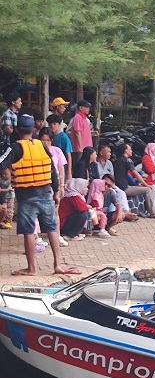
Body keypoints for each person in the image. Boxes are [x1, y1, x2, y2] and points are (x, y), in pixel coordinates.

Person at [1, 114, 78, 275]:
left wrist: (6, 173)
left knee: (29, 231)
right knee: (51, 229)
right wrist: (56, 191)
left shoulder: (15, 147)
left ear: (16, 129)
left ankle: (31, 268)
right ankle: (57, 265)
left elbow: (1, 163)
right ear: (33, 130)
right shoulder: (41, 146)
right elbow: (51, 169)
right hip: (45, 194)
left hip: (26, 197)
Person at [113, 143, 155, 218]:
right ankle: (152, 212)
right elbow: (136, 174)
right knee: (147, 190)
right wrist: (146, 184)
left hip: (118, 186)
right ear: (125, 151)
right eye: (130, 149)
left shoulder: (117, 160)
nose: (131, 151)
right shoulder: (127, 160)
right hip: (124, 188)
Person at [68, 100, 94, 170]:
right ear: (81, 108)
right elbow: (77, 132)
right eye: (87, 107)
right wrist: (80, 146)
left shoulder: (84, 118)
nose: (88, 109)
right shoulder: (78, 118)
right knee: (80, 167)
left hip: (86, 147)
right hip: (80, 149)